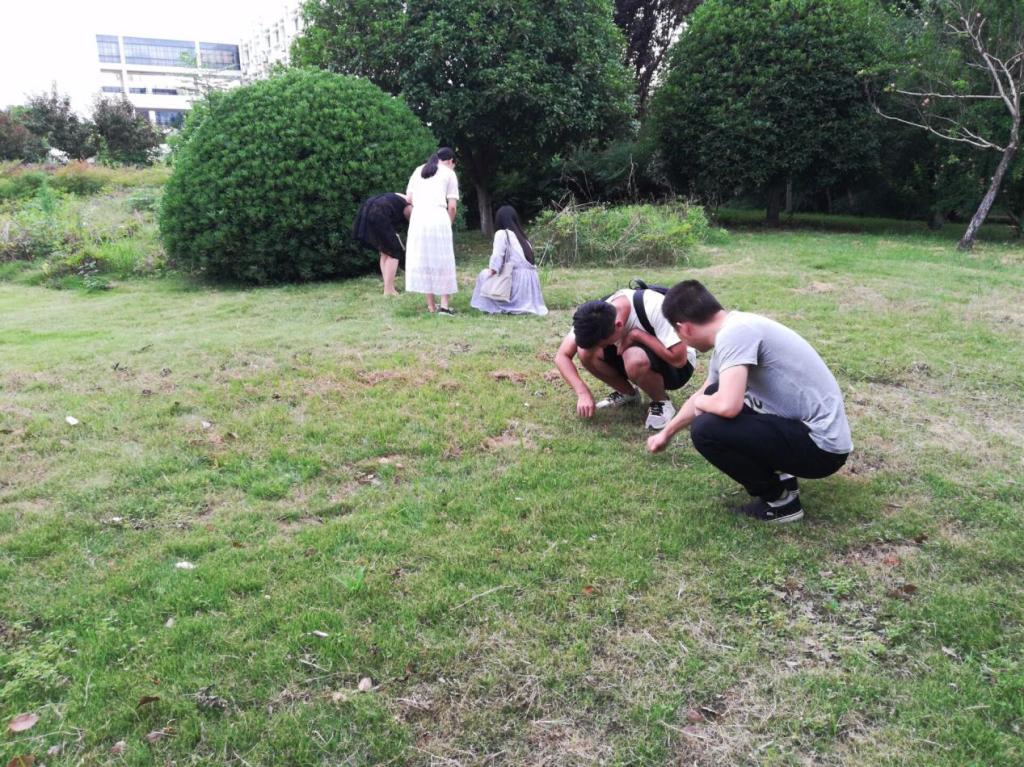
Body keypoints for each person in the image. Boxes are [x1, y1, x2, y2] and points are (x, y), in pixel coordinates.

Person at [647, 280, 852, 524]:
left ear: (685, 328)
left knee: (705, 429)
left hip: (822, 449)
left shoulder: (735, 334)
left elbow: (728, 406)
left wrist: (703, 402)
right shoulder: (734, 328)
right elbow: (705, 394)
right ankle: (784, 478)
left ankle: (780, 503)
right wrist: (666, 434)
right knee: (713, 393)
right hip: (810, 435)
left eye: (677, 334)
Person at [554, 286, 697, 430]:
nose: (602, 348)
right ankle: (628, 394)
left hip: (678, 368)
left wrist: (637, 335)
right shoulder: (596, 316)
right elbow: (562, 356)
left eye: (603, 344)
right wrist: (582, 392)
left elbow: (679, 360)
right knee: (585, 352)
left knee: (633, 357)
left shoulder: (655, 307)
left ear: (618, 325)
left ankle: (661, 402)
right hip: (636, 357)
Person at [405, 147, 460, 315]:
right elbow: (452, 206)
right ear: (450, 161)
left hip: (418, 218)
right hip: (438, 217)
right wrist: (449, 223)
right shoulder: (449, 173)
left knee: (425, 260)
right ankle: (444, 306)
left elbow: (409, 199)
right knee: (443, 260)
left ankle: (430, 306)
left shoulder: (418, 170)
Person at [470, 205, 548, 316]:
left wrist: (491, 272)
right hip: (530, 285)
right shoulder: (523, 238)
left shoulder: (502, 234)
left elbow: (497, 258)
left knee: (484, 274)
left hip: (516, 284)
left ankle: (489, 306)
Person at [353, 192, 411, 296]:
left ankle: (387, 286)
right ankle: (389, 290)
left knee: (385, 252)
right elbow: (410, 218)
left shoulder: (403, 197)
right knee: (394, 252)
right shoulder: (413, 205)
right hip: (379, 212)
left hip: (368, 208)